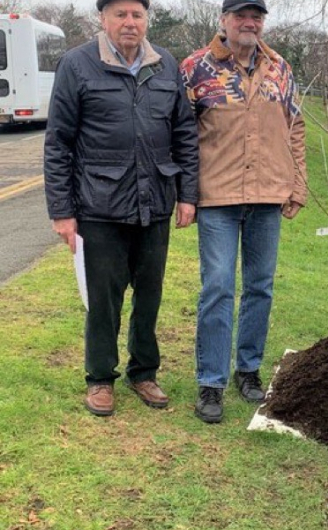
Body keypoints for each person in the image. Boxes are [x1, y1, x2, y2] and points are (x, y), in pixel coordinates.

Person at [43, 0, 198, 417]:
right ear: (103, 18)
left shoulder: (166, 64)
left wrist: (188, 194)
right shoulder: (76, 64)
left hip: (156, 203)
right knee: (104, 299)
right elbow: (58, 142)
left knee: (149, 295)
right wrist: (62, 210)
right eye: (120, 15)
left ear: (146, 19)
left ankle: (143, 371)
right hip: (99, 206)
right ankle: (99, 378)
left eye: (136, 15)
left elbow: (183, 131)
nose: (129, 23)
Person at [180, 0, 307, 423]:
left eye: (256, 16)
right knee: (217, 286)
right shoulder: (196, 69)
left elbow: (296, 126)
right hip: (217, 195)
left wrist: (297, 184)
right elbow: (180, 133)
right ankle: (210, 382)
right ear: (224, 20)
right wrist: (184, 193)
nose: (249, 23)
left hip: (268, 195)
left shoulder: (280, 69)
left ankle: (248, 370)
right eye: (240, 15)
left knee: (260, 286)